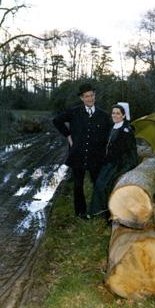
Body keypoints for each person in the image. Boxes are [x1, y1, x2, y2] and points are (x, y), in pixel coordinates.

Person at [52, 83, 111, 219]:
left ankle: (99, 211)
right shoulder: (74, 112)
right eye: (86, 96)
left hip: (96, 156)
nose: (90, 98)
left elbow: (109, 133)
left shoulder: (103, 115)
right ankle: (80, 213)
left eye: (91, 95)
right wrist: (68, 135)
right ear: (82, 98)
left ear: (94, 96)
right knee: (78, 186)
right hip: (78, 154)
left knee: (98, 184)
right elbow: (56, 120)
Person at [87, 103, 138, 219]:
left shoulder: (126, 130)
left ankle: (104, 214)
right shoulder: (112, 127)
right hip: (109, 162)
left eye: (118, 113)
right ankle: (98, 213)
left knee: (104, 184)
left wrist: (130, 165)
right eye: (113, 113)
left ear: (124, 116)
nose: (115, 115)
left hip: (120, 163)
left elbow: (131, 150)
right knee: (98, 183)